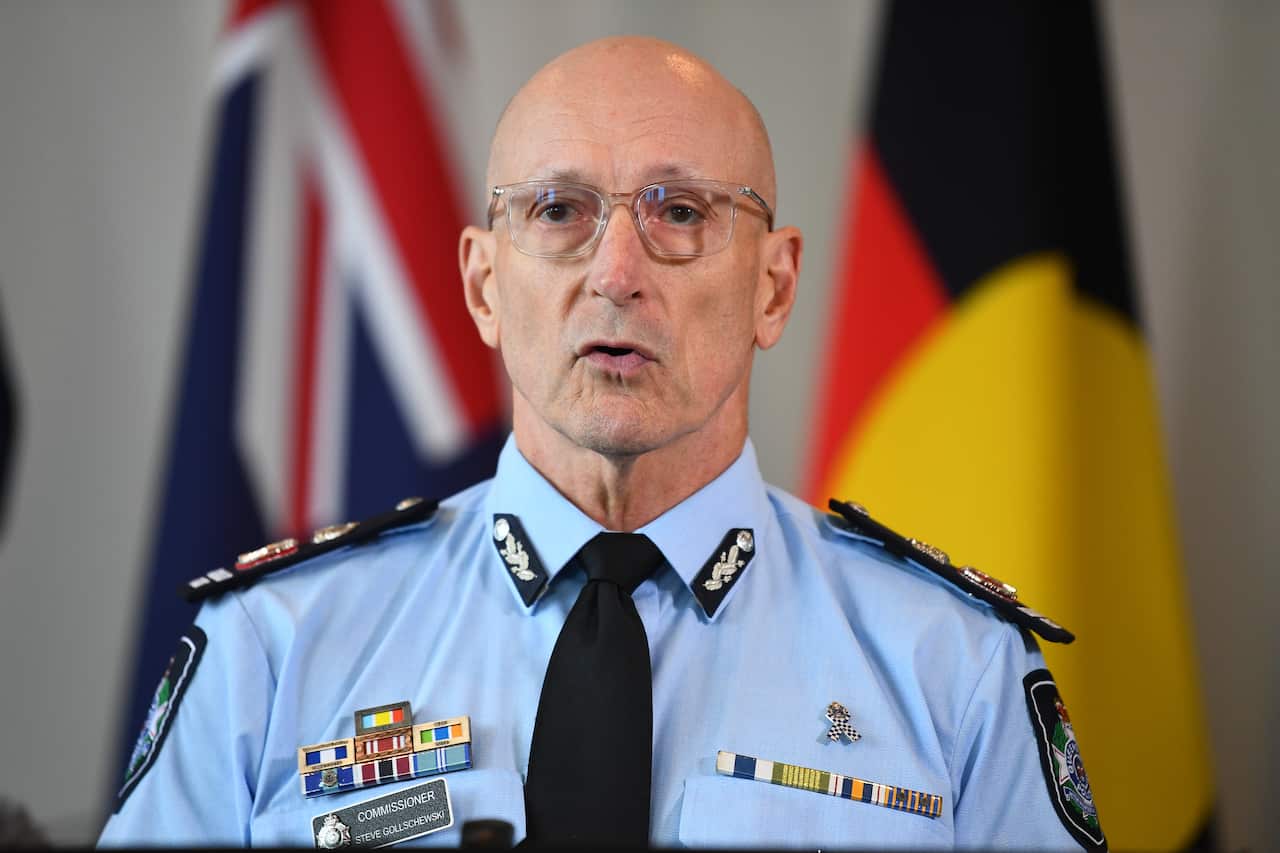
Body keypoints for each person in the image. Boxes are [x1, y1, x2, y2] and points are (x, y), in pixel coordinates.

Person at [99, 36, 1104, 849]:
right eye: (557, 210)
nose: (616, 270)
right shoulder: (272, 651)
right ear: (484, 285)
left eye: (678, 211)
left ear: (774, 285)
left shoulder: (949, 667)